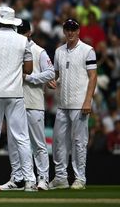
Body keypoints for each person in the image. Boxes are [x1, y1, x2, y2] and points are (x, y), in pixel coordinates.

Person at [0, 6, 36, 192]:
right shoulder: (23, 40)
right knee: (21, 137)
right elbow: (28, 69)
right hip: (14, 93)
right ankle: (29, 180)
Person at [0, 19, 54, 191]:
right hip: (14, 102)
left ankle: (42, 178)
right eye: (18, 32)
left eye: (23, 32)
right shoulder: (12, 50)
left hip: (34, 102)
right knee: (13, 144)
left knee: (38, 143)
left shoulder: (39, 51)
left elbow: (50, 73)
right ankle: (18, 178)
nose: (20, 35)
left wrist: (29, 78)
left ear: (29, 33)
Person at [48, 18, 97, 190]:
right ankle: (61, 177)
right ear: (64, 31)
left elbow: (93, 77)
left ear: (78, 31)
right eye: (67, 29)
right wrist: (51, 82)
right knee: (59, 142)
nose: (70, 32)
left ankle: (80, 178)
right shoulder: (59, 51)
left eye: (73, 29)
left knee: (79, 142)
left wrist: (87, 100)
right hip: (62, 103)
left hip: (79, 103)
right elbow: (55, 75)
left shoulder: (88, 50)